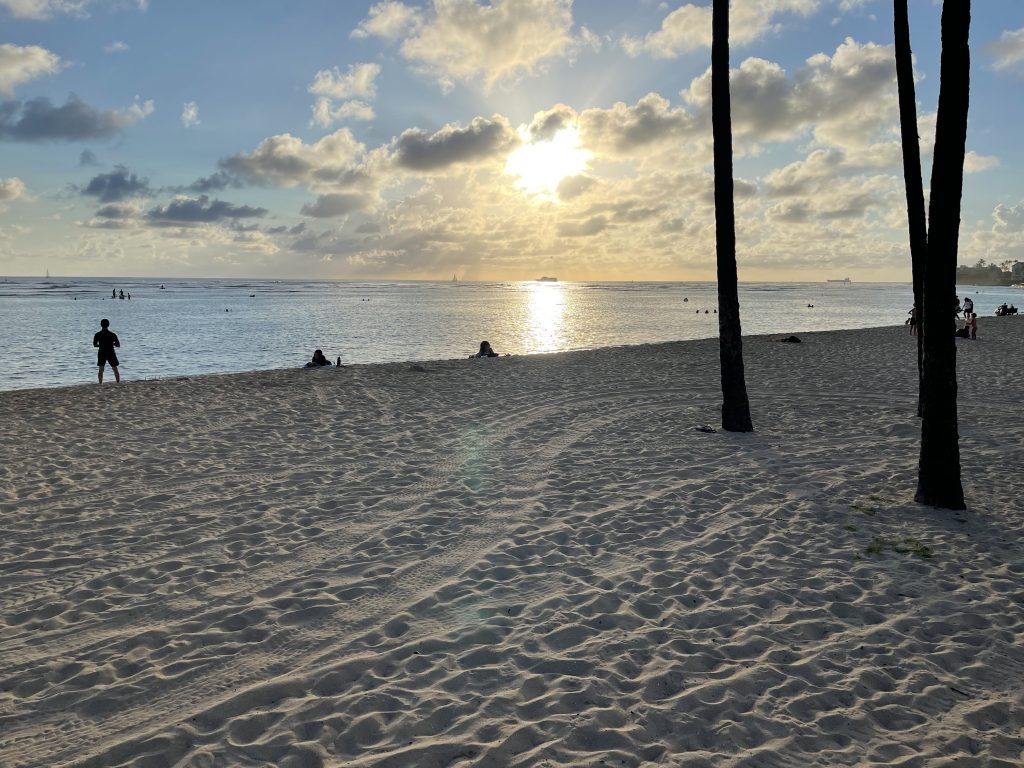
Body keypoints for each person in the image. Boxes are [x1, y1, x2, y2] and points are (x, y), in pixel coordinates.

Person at [93, 318, 121, 384]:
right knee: (115, 369)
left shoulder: (97, 334)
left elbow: (95, 345)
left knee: (101, 369)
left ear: (101, 325)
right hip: (111, 352)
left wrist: (101, 345)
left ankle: (100, 383)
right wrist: (112, 344)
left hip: (102, 352)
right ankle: (118, 383)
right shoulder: (112, 334)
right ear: (108, 325)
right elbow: (118, 345)